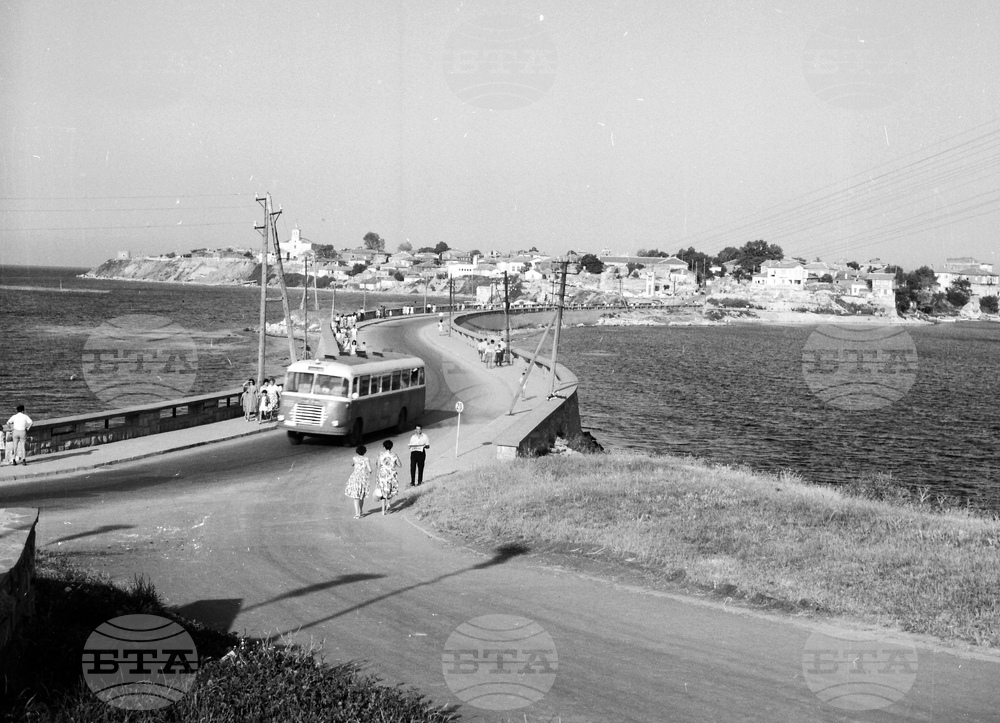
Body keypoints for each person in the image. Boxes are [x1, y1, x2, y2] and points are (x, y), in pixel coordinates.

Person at [374, 439, 402, 515]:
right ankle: (389, 503)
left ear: (384, 446)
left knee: (383, 492)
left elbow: (378, 466)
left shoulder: (380, 455)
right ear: (391, 446)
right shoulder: (394, 455)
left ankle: (383, 511)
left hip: (383, 475)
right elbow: (400, 465)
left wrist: (376, 476)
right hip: (392, 474)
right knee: (391, 490)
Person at [345, 445, 371, 519]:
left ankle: (357, 513)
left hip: (355, 478)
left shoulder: (354, 458)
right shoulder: (366, 459)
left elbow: (352, 464)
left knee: (356, 496)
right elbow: (369, 469)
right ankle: (360, 510)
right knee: (361, 496)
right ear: (364, 451)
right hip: (363, 478)